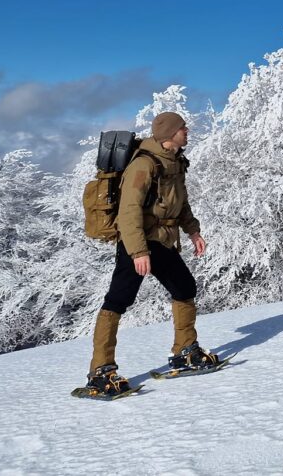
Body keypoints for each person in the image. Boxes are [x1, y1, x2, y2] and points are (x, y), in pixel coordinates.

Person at [84, 111, 218, 395]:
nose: (188, 131)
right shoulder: (144, 165)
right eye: (183, 128)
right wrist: (138, 252)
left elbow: (180, 202)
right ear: (170, 133)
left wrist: (193, 231)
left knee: (184, 287)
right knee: (119, 299)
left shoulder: (175, 162)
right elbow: (128, 211)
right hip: (138, 242)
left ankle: (185, 351)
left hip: (163, 241)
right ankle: (100, 370)